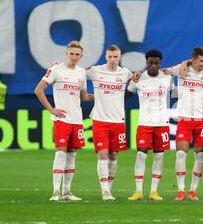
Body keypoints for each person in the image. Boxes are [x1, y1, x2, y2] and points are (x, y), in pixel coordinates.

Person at [34, 41, 92, 201]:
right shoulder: (56, 69)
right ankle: (55, 192)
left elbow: (84, 97)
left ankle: (67, 192)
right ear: (66, 54)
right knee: (60, 153)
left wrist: (104, 96)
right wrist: (51, 109)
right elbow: (38, 89)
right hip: (62, 119)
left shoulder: (81, 73)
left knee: (72, 155)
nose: (74, 57)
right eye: (71, 54)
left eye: (77, 54)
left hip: (77, 120)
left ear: (81, 56)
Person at [86, 45, 133, 201]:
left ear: (120, 57)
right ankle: (104, 191)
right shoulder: (95, 71)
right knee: (103, 154)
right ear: (105, 57)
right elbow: (74, 74)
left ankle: (109, 190)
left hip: (117, 121)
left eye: (115, 57)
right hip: (100, 120)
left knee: (114, 155)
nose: (112, 60)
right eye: (110, 57)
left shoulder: (125, 73)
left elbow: (143, 79)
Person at [170, 47, 203, 201]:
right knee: (181, 154)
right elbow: (163, 72)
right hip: (184, 119)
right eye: (202, 60)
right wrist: (184, 62)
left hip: (202, 119)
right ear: (194, 60)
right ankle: (181, 190)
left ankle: (193, 191)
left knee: (200, 156)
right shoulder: (181, 69)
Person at [127, 50, 173, 201]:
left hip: (162, 124)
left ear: (160, 63)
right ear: (146, 62)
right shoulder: (138, 79)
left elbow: (177, 92)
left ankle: (154, 191)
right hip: (144, 123)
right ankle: (138, 191)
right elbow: (125, 94)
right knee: (141, 154)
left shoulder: (167, 77)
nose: (153, 65)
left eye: (156, 63)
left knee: (159, 157)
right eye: (150, 62)